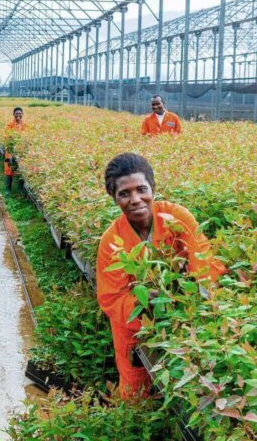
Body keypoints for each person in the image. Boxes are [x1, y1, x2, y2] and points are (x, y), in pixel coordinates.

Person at [96, 153, 225, 399]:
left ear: (153, 188)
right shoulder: (111, 241)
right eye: (124, 193)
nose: (135, 200)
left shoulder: (177, 218)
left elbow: (204, 266)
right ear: (113, 198)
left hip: (184, 315)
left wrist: (191, 300)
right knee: (135, 387)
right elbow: (111, 299)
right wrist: (142, 302)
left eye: (141, 189)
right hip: (133, 327)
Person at [4, 107, 27, 194]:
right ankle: (7, 189)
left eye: (20, 113)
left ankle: (20, 190)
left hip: (21, 150)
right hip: (11, 150)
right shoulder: (9, 125)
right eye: (16, 113)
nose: (18, 115)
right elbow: (7, 137)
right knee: (9, 168)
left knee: (21, 169)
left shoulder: (25, 125)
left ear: (22, 114)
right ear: (13, 115)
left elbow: (28, 136)